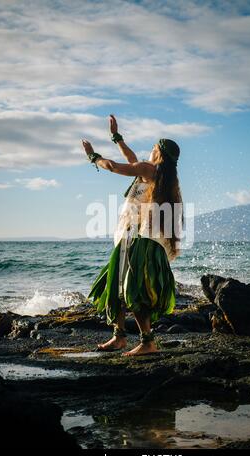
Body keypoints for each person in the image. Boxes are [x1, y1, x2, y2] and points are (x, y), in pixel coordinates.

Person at [82, 115, 183, 356]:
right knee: (116, 284)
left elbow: (116, 166)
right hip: (135, 239)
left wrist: (93, 157)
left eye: (153, 147)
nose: (150, 150)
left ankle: (147, 342)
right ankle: (119, 337)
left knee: (133, 290)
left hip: (138, 241)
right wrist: (117, 137)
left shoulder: (148, 169)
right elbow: (131, 160)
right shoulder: (159, 175)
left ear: (158, 153)